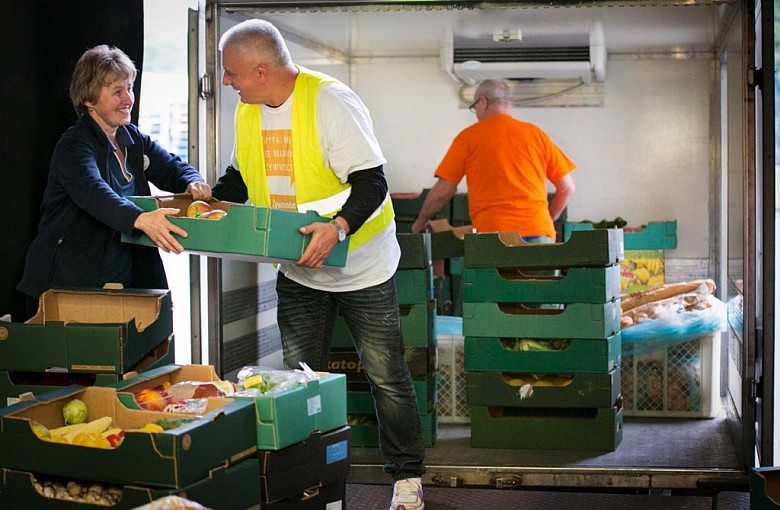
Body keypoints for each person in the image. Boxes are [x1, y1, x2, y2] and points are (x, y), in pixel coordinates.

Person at [212, 19, 426, 510]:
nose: (226, 82)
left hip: (362, 268)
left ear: (262, 70)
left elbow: (372, 182)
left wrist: (338, 227)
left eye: (231, 73)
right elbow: (239, 179)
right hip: (299, 269)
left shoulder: (329, 101)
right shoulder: (248, 112)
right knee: (301, 380)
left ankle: (408, 476)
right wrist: (205, 205)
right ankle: (308, 479)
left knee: (386, 375)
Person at [17, 45, 211, 319]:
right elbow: (94, 193)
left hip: (124, 282)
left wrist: (193, 182)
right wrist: (142, 219)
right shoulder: (74, 145)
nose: (128, 98)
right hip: (67, 285)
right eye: (117, 91)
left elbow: (172, 167)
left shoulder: (132, 137)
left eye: (129, 88)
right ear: (90, 99)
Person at [411, 79, 576, 243]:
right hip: (540, 235)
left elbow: (442, 192)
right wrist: (547, 221)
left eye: (474, 107)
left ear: (482, 102)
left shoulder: (468, 138)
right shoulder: (536, 135)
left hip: (495, 238)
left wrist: (420, 222)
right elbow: (567, 189)